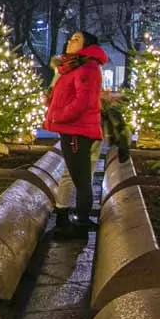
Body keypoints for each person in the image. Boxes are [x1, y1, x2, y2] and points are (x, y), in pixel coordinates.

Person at [43, 30, 108, 238]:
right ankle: (74, 221)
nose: (70, 42)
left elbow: (83, 101)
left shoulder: (87, 67)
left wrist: (59, 116)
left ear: (87, 45)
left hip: (76, 130)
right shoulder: (73, 66)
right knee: (78, 177)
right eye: (70, 38)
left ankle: (78, 226)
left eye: (76, 39)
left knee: (80, 179)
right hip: (72, 129)